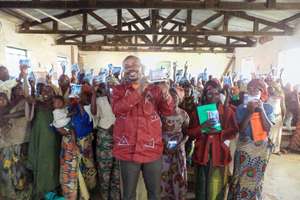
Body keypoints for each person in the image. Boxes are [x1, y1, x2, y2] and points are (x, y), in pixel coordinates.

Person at [112, 55, 174, 200]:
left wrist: (166, 93)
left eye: (134, 64)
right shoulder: (118, 90)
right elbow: (118, 109)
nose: (130, 68)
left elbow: (168, 110)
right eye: (126, 66)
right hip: (127, 150)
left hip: (152, 150)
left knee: (154, 194)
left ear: (141, 67)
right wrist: (140, 89)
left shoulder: (155, 89)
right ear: (123, 71)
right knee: (128, 195)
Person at [188, 80, 238, 200]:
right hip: (202, 155)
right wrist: (202, 128)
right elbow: (190, 133)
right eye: (209, 94)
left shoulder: (227, 111)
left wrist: (220, 132)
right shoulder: (198, 111)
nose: (213, 97)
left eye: (216, 94)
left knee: (217, 188)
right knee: (201, 188)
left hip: (219, 155)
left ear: (220, 94)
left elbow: (234, 131)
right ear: (204, 94)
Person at [228, 79, 274, 200]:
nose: (254, 90)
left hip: (261, 150)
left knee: (257, 179)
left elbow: (268, 128)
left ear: (262, 91)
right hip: (245, 150)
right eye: (251, 87)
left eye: (258, 88)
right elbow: (241, 130)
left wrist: (261, 109)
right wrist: (249, 112)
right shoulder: (241, 108)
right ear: (247, 90)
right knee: (240, 178)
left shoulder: (268, 108)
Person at [27, 84, 61, 199]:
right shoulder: (37, 103)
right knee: (40, 162)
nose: (46, 92)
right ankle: (41, 189)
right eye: (44, 90)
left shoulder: (57, 105)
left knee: (51, 163)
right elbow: (28, 101)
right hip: (38, 137)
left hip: (51, 139)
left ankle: (51, 188)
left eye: (49, 90)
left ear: (54, 93)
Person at [91, 81, 121, 200]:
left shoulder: (121, 100)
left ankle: (115, 196)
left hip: (119, 139)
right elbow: (93, 112)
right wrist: (93, 93)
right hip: (104, 137)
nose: (111, 89)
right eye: (109, 86)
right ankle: (104, 196)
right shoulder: (100, 100)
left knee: (117, 172)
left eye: (113, 86)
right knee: (104, 172)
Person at [160, 86, 190, 200]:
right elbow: (156, 131)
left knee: (178, 174)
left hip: (178, 149)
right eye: (170, 95)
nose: (173, 98)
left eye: (175, 95)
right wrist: (163, 145)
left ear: (179, 98)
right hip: (164, 148)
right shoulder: (161, 113)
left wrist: (180, 145)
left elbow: (187, 134)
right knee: (164, 174)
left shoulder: (184, 114)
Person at [267, 82, 286, 155]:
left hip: (278, 116)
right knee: (270, 134)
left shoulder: (281, 96)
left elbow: (283, 106)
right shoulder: (267, 95)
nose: (271, 89)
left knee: (278, 134)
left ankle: (276, 150)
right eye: (270, 88)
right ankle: (269, 149)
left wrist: (283, 116)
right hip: (269, 117)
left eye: (272, 87)